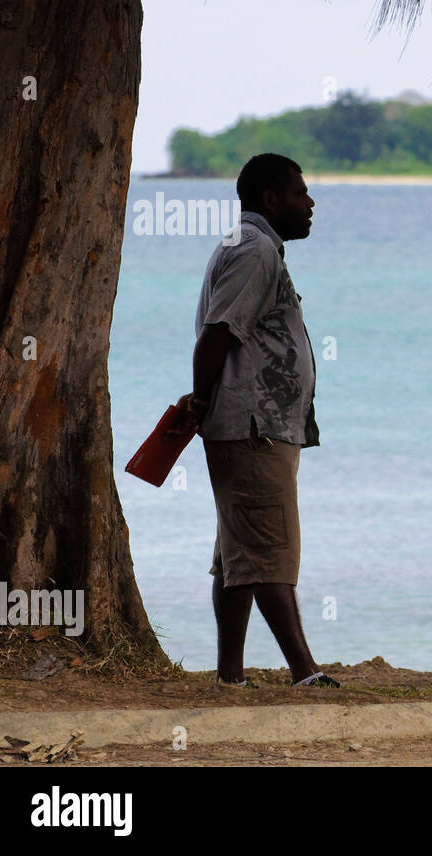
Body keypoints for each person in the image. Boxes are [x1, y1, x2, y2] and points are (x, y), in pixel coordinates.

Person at [169, 153, 338, 689]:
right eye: (299, 193)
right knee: (269, 551)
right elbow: (217, 334)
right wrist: (200, 401)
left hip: (257, 425)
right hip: (252, 427)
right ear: (270, 198)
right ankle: (305, 674)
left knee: (238, 554)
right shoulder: (254, 249)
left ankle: (230, 677)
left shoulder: (254, 246)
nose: (309, 204)